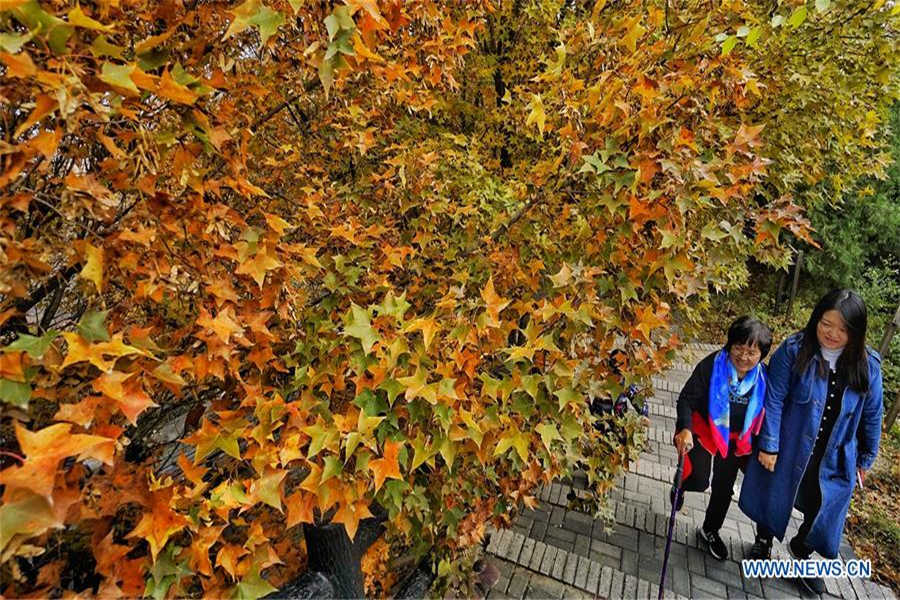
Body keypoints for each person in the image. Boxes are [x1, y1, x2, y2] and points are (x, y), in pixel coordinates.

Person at [739, 289, 883, 594]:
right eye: (826, 324)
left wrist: (866, 458)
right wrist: (769, 443)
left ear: (856, 333)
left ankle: (801, 551)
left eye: (843, 329)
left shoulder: (868, 366)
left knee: (824, 506)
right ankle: (763, 540)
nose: (832, 334)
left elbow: (873, 414)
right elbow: (775, 397)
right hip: (790, 442)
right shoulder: (794, 350)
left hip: (836, 450)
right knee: (775, 492)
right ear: (816, 319)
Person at [671, 316, 773, 561]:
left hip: (737, 440)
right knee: (697, 479)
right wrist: (684, 428)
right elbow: (686, 398)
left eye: (752, 352)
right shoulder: (711, 366)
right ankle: (681, 484)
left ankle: (710, 530)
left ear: (762, 354)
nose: (744, 357)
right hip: (706, 429)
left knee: (723, 488)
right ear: (729, 345)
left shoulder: (764, 379)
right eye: (738, 348)